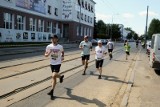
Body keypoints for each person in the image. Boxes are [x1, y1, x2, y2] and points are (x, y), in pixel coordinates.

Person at [44, 35, 64, 99]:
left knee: (53, 75)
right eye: (52, 38)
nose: (52, 39)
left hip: (58, 63)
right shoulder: (49, 46)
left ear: (57, 39)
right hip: (52, 63)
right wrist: (48, 53)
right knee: (54, 77)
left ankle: (60, 77)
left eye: (54, 38)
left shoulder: (60, 46)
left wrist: (62, 56)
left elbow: (62, 52)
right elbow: (45, 55)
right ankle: (52, 91)